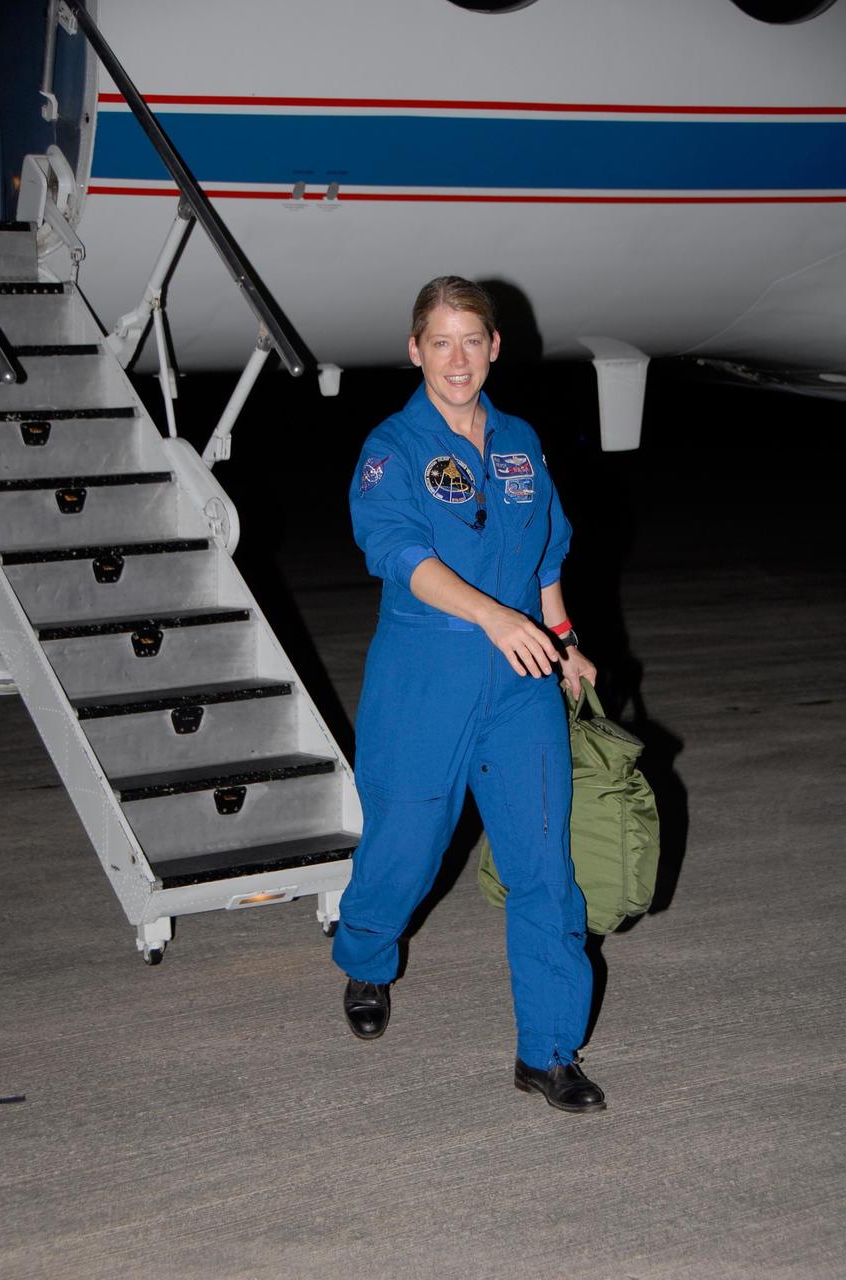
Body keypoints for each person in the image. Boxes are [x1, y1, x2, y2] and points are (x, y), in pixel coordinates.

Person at [332, 276, 606, 1113]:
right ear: (416, 350)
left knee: (545, 868)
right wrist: (497, 620)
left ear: (494, 348)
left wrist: (561, 642)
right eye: (439, 342)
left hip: (520, 680)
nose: (457, 359)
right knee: (407, 849)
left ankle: (548, 1051)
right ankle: (367, 956)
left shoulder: (521, 442)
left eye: (472, 341)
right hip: (427, 673)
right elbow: (398, 552)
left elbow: (546, 551)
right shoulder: (393, 448)